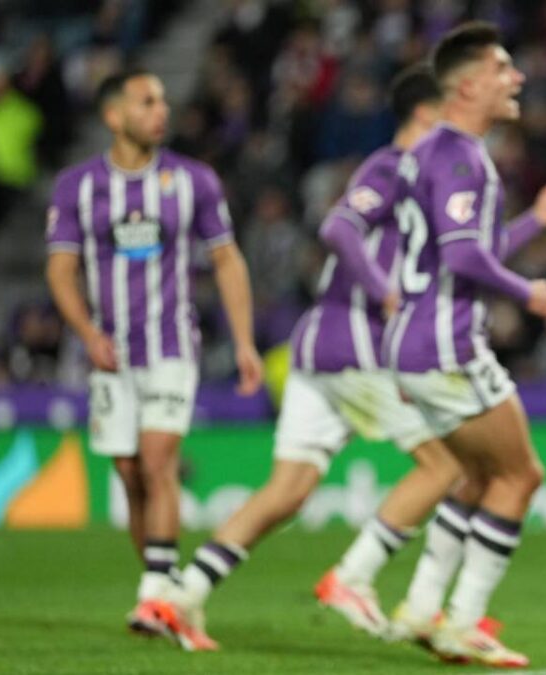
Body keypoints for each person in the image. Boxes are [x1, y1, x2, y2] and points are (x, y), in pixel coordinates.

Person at [168, 64, 463, 651]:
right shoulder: (394, 166)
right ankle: (355, 577)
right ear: (427, 113)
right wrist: (382, 288)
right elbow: (339, 226)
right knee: (449, 466)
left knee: (290, 490)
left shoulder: (417, 176)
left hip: (315, 346)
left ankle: (184, 594)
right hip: (355, 347)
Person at [381, 21, 546, 667]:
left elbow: (454, 251)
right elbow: (465, 257)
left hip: (411, 342)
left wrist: (532, 221)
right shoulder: (464, 156)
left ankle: (421, 605)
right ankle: (462, 621)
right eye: (502, 68)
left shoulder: (431, 153)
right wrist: (530, 293)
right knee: (521, 475)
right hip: (446, 345)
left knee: (474, 476)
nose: (516, 77)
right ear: (467, 86)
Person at [44, 68, 263, 639]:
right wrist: (88, 333)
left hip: (172, 345)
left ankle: (152, 594)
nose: (161, 111)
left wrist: (243, 341)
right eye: (147, 102)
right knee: (129, 473)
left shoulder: (195, 181)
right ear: (114, 117)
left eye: (163, 100)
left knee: (158, 458)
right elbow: (61, 271)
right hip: (110, 353)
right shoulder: (77, 187)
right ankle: (166, 594)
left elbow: (226, 259)